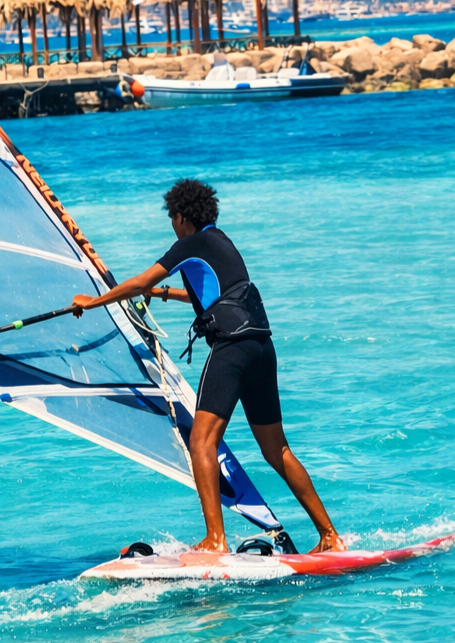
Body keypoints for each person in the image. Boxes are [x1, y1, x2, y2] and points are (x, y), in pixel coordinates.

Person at [73, 178, 345, 554]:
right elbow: (213, 294)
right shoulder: (222, 243)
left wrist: (93, 301)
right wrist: (163, 293)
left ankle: (215, 540)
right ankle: (329, 535)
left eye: (172, 218)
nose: (172, 225)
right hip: (261, 347)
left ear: (181, 216)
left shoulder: (190, 244)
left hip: (231, 348)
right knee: (277, 449)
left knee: (201, 441)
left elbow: (140, 281)